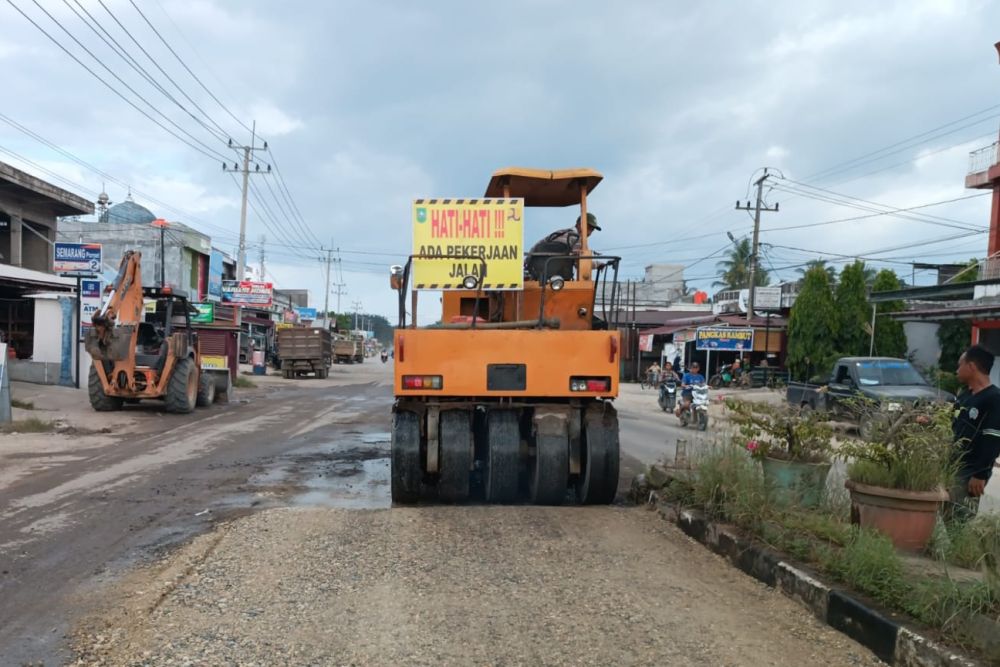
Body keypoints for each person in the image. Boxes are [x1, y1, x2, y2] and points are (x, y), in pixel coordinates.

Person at [949, 344, 1000, 520]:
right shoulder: (965, 396)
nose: (957, 370)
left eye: (959, 365)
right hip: (951, 466)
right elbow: (952, 424)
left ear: (971, 367)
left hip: (970, 472)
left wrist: (980, 474)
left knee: (959, 519)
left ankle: (961, 548)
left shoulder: (994, 399)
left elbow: (993, 440)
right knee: (945, 514)